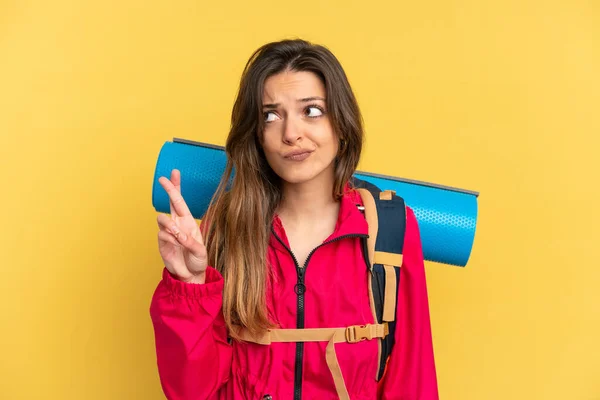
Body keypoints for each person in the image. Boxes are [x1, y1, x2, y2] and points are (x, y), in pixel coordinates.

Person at [150, 39, 438, 400]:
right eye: (271, 115)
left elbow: (413, 382)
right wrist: (190, 284)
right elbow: (193, 392)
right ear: (257, 136)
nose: (291, 133)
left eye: (312, 111)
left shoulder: (391, 230)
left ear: (342, 123)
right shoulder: (221, 229)